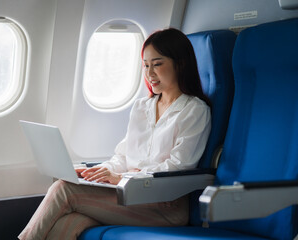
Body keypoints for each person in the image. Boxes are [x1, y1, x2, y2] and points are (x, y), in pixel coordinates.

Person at [18, 28, 211, 240]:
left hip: (166, 206)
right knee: (69, 222)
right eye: (145, 66)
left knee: (64, 189)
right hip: (130, 196)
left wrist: (124, 177)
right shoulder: (142, 106)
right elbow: (123, 155)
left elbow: (178, 166)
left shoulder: (194, 110)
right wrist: (102, 170)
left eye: (157, 64)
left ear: (180, 63)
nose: (150, 73)